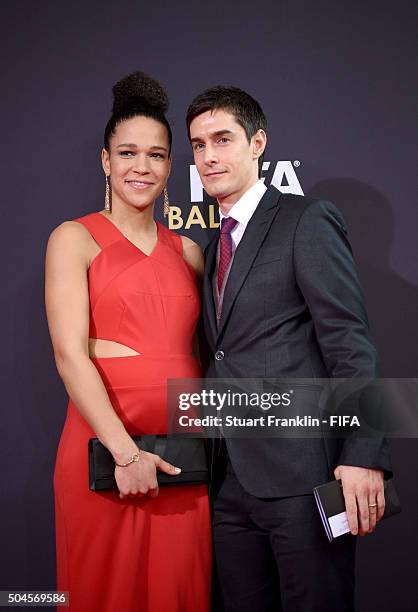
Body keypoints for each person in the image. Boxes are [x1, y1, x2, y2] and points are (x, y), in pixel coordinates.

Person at [186, 86, 392, 611]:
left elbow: (349, 343)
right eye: (198, 144)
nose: (209, 156)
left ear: (258, 144)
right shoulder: (213, 249)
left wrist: (364, 455)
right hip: (228, 481)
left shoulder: (306, 220)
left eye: (223, 139)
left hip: (304, 478)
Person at [45, 71, 211, 612]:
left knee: (179, 593)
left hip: (183, 457)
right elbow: (70, 354)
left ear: (170, 166)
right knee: (102, 593)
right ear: (105, 160)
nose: (141, 167)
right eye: (128, 152)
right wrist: (124, 453)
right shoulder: (74, 238)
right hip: (105, 453)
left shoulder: (188, 251)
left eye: (157, 155)